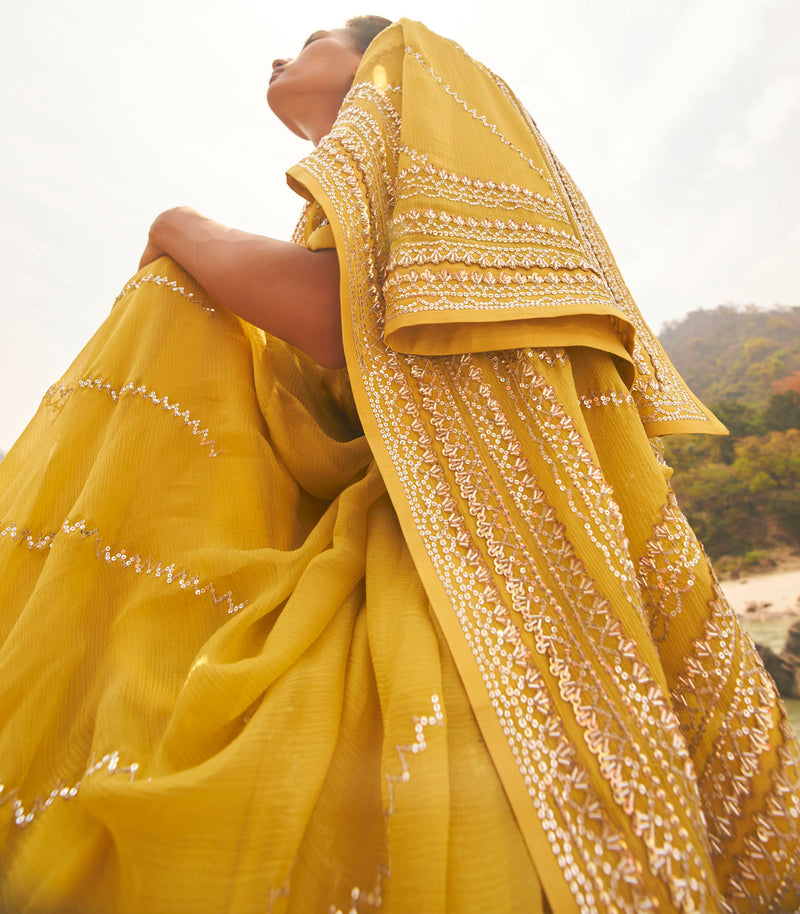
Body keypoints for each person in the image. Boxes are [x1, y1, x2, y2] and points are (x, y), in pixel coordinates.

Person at [0, 15, 798, 914]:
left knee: (177, 285)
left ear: (378, 59)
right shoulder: (369, 189)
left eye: (311, 38)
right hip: (417, 533)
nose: (279, 55)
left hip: (466, 560)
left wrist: (176, 226)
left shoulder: (434, 85)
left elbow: (340, 316)